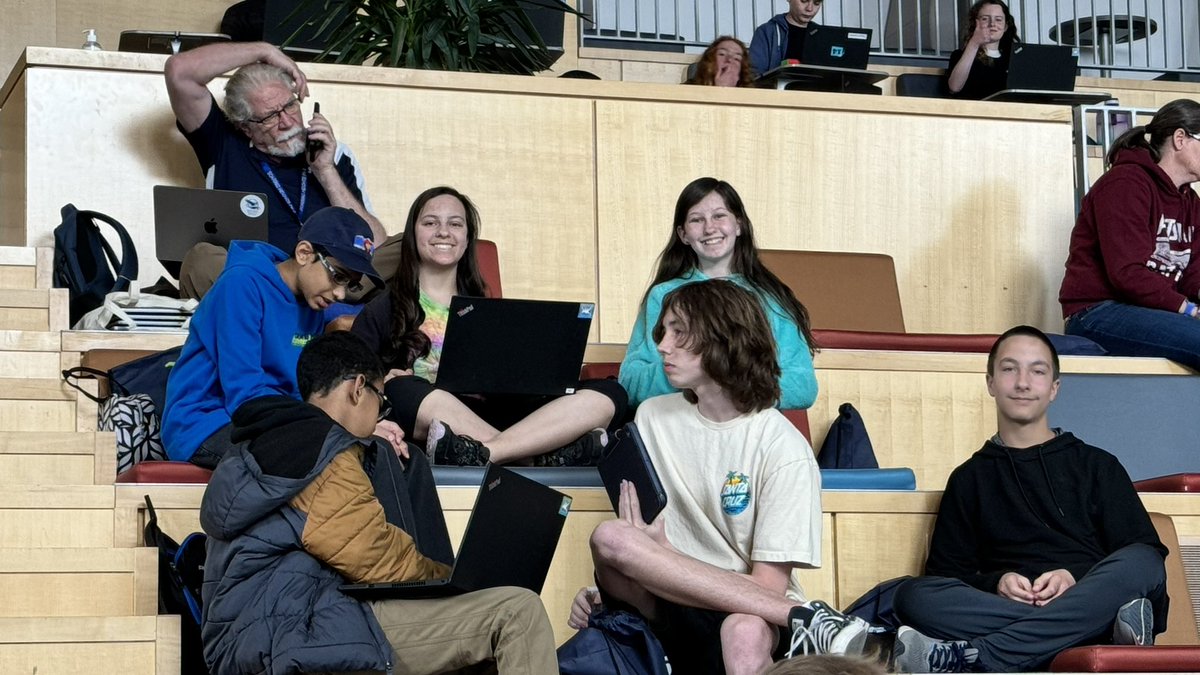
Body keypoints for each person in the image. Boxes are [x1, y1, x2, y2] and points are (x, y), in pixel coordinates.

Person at [199, 331, 558, 674]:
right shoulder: (322, 452)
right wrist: (458, 582)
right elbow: (376, 559)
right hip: (292, 631)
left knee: (480, 639)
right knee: (516, 611)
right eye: (381, 403)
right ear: (358, 389)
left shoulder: (275, 444)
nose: (379, 417)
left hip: (273, 626)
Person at [580, 279, 868, 675]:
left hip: (747, 607)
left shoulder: (782, 446)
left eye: (680, 332)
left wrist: (668, 557)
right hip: (663, 598)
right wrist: (607, 591)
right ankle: (815, 620)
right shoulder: (651, 417)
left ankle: (806, 621)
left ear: (724, 339)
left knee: (744, 631)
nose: (663, 345)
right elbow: (638, 546)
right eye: (664, 332)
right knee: (610, 537)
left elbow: (765, 590)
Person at [892, 325, 1167, 673]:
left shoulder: (1098, 465)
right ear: (990, 382)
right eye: (1009, 369)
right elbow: (947, 573)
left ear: (1054, 388)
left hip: (1087, 593)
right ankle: (1091, 631)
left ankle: (978, 657)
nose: (1023, 382)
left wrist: (1074, 577)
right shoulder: (968, 479)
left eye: (1037, 371)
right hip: (1027, 607)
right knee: (913, 596)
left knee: (1143, 561)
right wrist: (997, 582)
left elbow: (1146, 558)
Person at [351, 186, 628, 466]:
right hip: (434, 415)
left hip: (497, 413)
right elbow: (350, 383)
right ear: (413, 234)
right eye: (431, 222)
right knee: (402, 389)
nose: (443, 232)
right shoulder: (384, 307)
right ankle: (535, 458)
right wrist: (381, 384)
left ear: (468, 237)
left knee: (610, 394)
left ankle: (490, 453)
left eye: (455, 224)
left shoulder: (491, 311)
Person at [163, 207, 390, 468]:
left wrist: (360, 424)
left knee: (370, 454)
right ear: (304, 253)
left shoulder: (313, 302)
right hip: (205, 423)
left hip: (269, 424)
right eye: (337, 276)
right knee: (323, 463)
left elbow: (305, 393)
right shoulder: (242, 284)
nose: (340, 294)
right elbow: (244, 394)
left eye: (350, 284)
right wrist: (325, 429)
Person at [165, 41, 386, 298]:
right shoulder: (224, 144)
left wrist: (325, 171)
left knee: (402, 248)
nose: (287, 122)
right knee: (203, 260)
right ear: (245, 127)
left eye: (290, 106)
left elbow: (375, 245)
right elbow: (179, 70)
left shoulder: (334, 153)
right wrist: (265, 51)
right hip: (257, 286)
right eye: (270, 117)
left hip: (332, 282)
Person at [620, 177, 817, 410]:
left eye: (719, 216)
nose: (709, 228)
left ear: (739, 224)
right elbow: (631, 383)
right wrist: (693, 370)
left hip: (748, 431)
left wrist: (724, 381)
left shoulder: (770, 298)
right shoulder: (663, 295)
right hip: (677, 428)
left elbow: (803, 386)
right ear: (683, 234)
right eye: (696, 219)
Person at [1059, 99, 1200, 370]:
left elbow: (1192, 274)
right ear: (1180, 139)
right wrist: (1190, 309)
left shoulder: (1190, 202)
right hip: (1098, 313)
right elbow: (1127, 273)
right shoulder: (1125, 184)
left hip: (1156, 312)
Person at [945, 0, 1020, 99]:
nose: (992, 24)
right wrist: (974, 43)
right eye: (985, 19)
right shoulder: (959, 55)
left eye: (998, 19)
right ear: (975, 23)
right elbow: (954, 87)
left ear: (1005, 26)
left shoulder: (1014, 60)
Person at [749, 0, 824, 77]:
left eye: (816, 3)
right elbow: (754, 75)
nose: (809, 9)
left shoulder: (822, 35)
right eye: (804, 1)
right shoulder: (767, 32)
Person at [688, 36, 753, 87]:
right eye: (722, 54)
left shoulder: (752, 96)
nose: (729, 60)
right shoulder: (688, 88)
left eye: (736, 58)